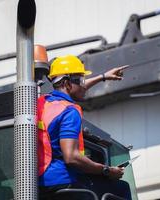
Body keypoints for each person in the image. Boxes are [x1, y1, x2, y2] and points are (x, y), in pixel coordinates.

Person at [37, 54, 131, 200]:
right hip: (63, 181)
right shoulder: (69, 110)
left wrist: (103, 76)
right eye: (81, 79)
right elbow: (71, 158)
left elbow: (77, 88)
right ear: (67, 83)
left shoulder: (43, 102)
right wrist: (107, 170)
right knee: (121, 188)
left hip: (42, 182)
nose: (84, 84)